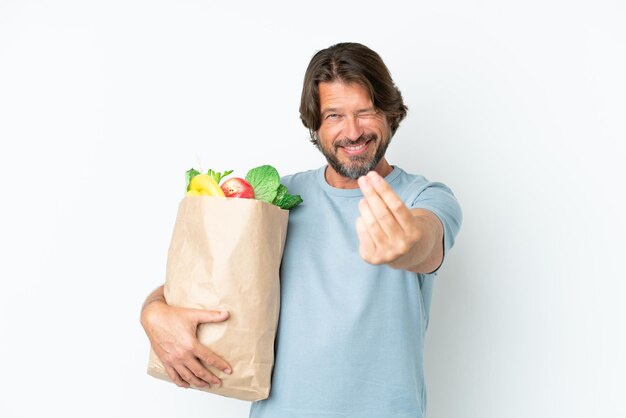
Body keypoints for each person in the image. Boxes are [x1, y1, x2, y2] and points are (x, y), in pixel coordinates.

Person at [141, 42, 462, 418]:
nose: (353, 131)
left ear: (391, 113)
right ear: (315, 124)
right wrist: (152, 311)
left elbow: (424, 243)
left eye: (366, 112)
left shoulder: (424, 197)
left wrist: (405, 243)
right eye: (334, 116)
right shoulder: (277, 200)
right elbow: (213, 282)